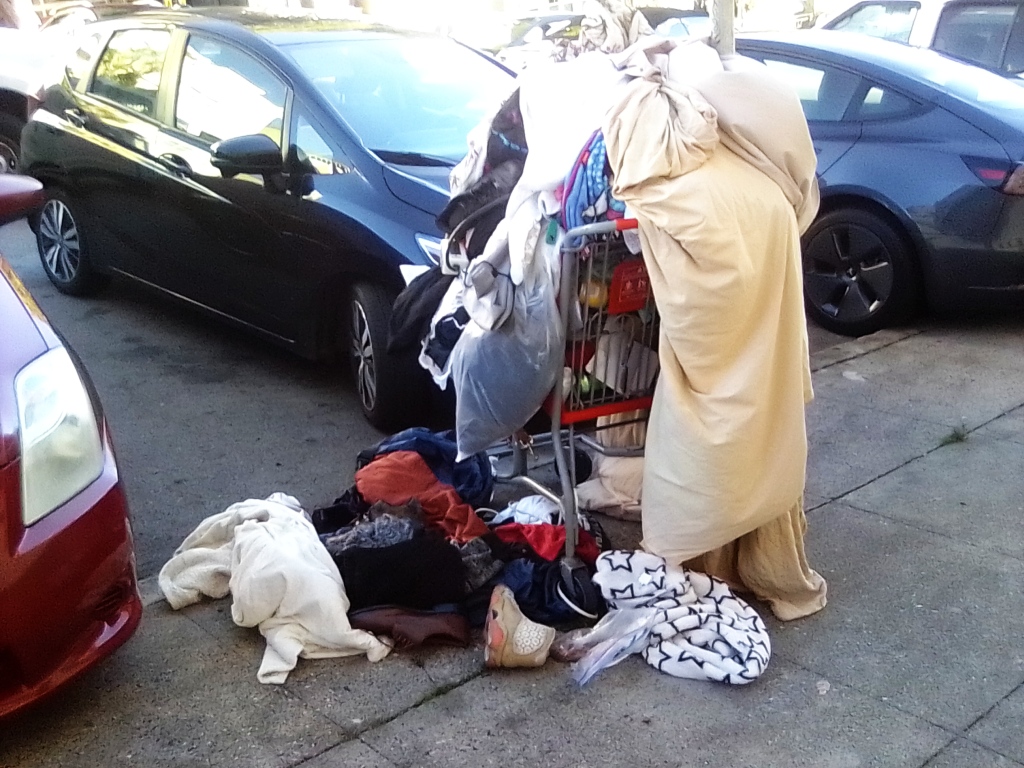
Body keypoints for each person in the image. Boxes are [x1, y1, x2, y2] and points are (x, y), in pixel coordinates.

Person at [603, 40, 827, 621]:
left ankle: (701, 555)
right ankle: (763, 558)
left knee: (705, 428)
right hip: (765, 312)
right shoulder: (761, 181)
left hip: (718, 325)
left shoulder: (675, 186)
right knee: (765, 420)